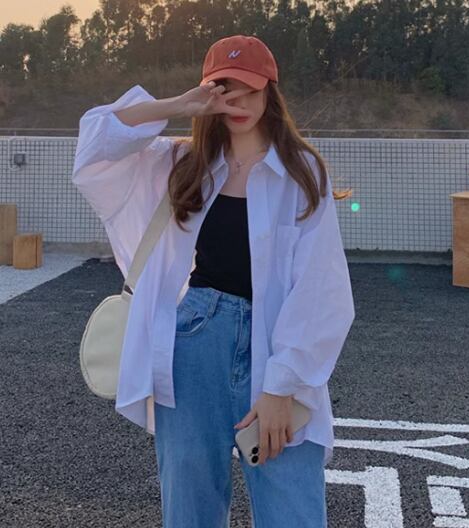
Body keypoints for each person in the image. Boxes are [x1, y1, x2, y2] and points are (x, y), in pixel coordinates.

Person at [72, 34, 355, 528]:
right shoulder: (180, 163)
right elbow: (94, 146)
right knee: (190, 512)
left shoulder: (302, 171)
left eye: (249, 89)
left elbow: (321, 288)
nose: (236, 101)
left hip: (275, 348)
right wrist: (177, 106)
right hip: (192, 344)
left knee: (293, 509)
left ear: (270, 92)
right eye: (223, 88)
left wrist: (282, 387)